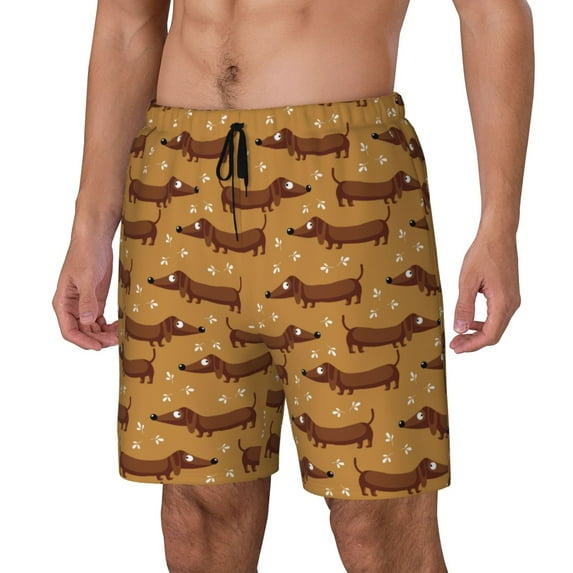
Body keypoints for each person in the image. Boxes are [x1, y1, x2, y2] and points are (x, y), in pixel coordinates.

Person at [52, 0, 534, 571]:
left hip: (344, 175)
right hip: (174, 180)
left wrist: (499, 226)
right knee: (199, 512)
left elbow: (492, 14)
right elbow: (127, 24)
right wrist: (89, 227)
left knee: (377, 516)